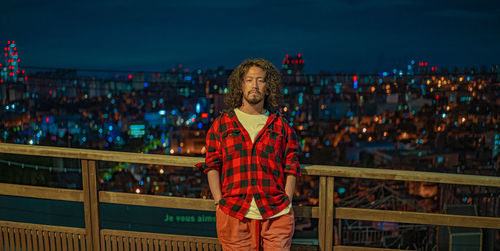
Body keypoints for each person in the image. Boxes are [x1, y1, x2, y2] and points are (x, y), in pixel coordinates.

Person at [196, 58, 301, 250]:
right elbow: (212, 164)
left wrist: (287, 200)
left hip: (276, 213)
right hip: (234, 212)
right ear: (240, 86)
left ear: (268, 88)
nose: (255, 85)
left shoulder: (281, 126)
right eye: (249, 80)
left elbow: (291, 165)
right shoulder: (222, 124)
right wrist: (219, 202)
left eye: (261, 80)